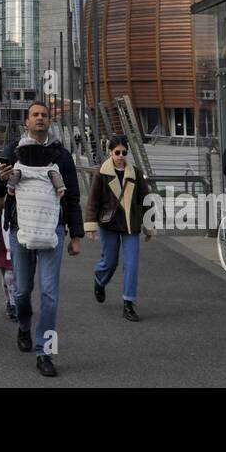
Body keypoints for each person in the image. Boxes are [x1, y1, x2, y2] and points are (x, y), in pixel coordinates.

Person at [0, 101, 83, 377]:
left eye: (44, 115)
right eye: (35, 115)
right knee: (21, 291)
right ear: (27, 120)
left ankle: (46, 352)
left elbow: (73, 196)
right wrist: (0, 176)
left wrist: (76, 235)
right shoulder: (13, 151)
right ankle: (24, 326)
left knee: (50, 294)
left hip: (53, 229)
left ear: (49, 120)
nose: (40, 118)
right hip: (20, 229)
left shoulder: (62, 156)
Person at [84, 136, 151, 321]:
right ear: (110, 152)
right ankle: (100, 279)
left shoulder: (135, 173)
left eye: (124, 153)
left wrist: (150, 226)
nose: (121, 156)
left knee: (131, 264)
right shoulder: (101, 173)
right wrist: (90, 226)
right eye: (117, 153)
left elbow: (145, 199)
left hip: (131, 225)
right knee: (110, 262)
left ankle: (128, 303)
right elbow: (93, 201)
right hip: (109, 224)